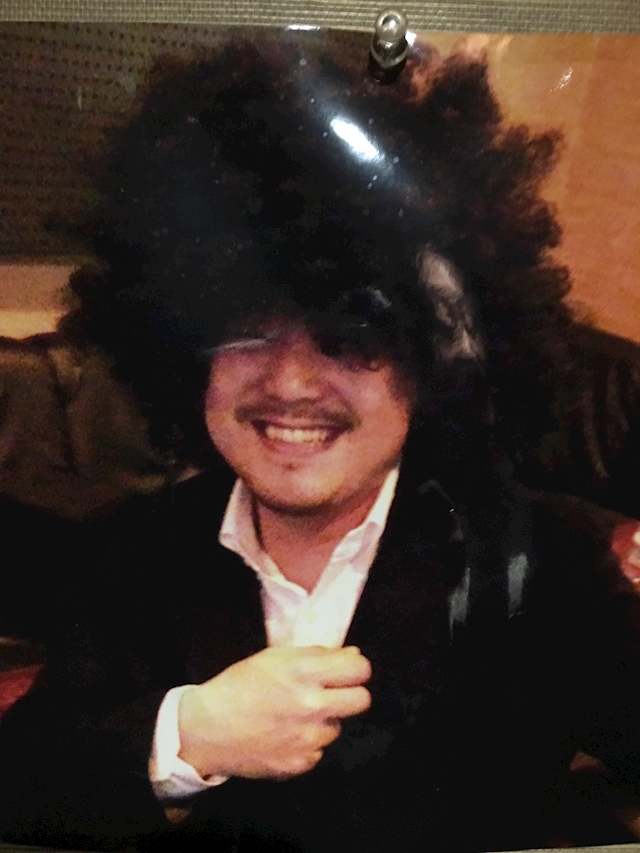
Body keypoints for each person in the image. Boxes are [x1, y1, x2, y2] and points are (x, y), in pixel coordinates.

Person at [1, 37, 640, 853]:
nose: (292, 381)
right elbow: (21, 780)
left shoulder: (546, 559)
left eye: (352, 335)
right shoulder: (130, 552)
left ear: (432, 360)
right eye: (246, 329)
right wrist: (185, 735)